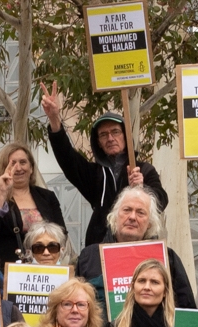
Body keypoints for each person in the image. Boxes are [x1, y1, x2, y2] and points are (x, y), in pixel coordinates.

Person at [41, 82, 166, 247]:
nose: (110, 138)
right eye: (103, 135)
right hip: (100, 249)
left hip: (138, 246)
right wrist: (54, 119)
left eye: (115, 132)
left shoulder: (143, 169)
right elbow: (67, 158)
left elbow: (162, 201)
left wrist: (143, 189)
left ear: (126, 136)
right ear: (98, 142)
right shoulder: (94, 175)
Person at [73, 187, 198, 310]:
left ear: (150, 223)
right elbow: (74, 304)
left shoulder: (168, 258)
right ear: (115, 216)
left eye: (140, 212)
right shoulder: (89, 257)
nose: (132, 217)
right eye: (127, 210)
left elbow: (187, 313)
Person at [0, 143, 67, 263]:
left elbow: (61, 233)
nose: (19, 168)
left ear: (31, 168)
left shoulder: (47, 196)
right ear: (3, 168)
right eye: (12, 163)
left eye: (23, 162)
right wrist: (2, 193)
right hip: (7, 268)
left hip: (44, 269)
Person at [109, 258, 176, 327]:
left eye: (154, 282)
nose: (147, 287)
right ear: (133, 287)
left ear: (165, 291)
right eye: (142, 281)